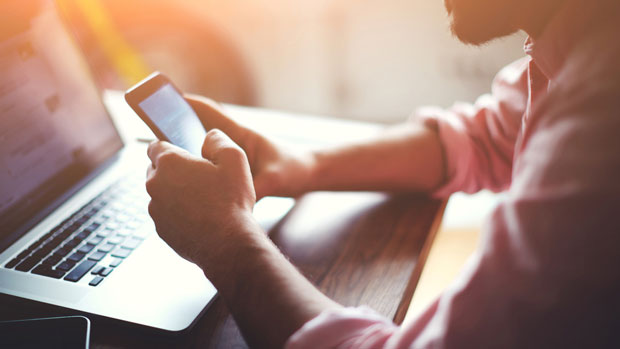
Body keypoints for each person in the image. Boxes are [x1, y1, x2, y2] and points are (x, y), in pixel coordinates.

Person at [144, 0, 620, 347]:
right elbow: (491, 136)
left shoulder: (602, 113)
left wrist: (227, 243)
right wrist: (300, 166)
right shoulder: (586, 41)